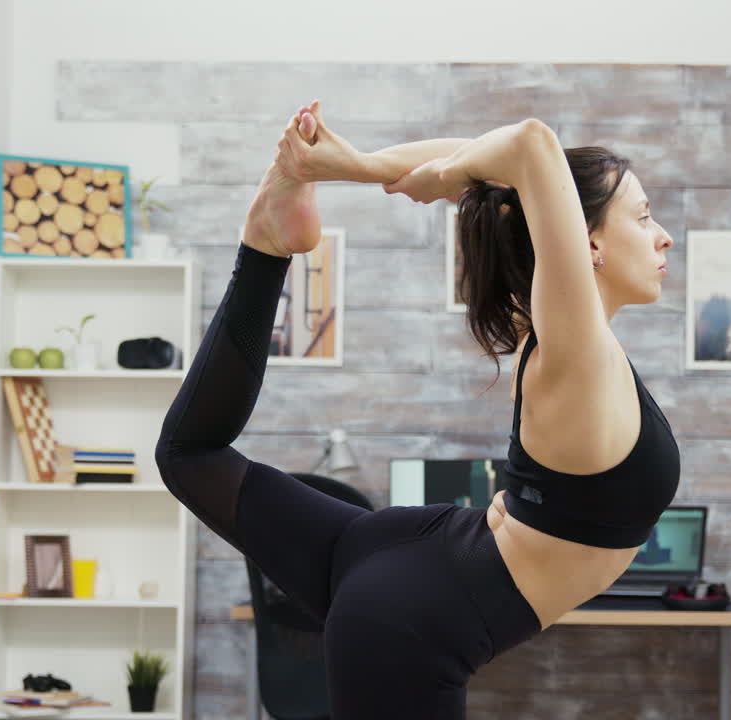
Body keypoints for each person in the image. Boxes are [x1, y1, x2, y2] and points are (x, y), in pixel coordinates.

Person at [155, 100, 680, 719]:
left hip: (397, 552)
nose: (662, 234)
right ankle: (267, 240)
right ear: (586, 241)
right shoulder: (576, 354)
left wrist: (354, 166)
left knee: (189, 455)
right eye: (643, 217)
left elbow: (512, 166)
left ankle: (267, 243)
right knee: (187, 456)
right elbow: (531, 145)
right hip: (410, 625)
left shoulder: (563, 336)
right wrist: (441, 178)